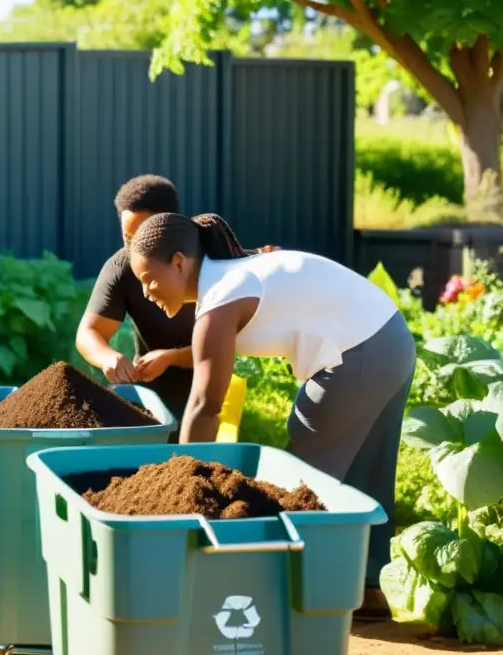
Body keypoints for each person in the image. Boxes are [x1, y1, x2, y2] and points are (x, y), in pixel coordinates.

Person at [127, 211, 416, 618]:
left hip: (362, 351)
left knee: (303, 477)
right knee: (367, 465)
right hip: (391, 339)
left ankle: (285, 594)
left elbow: (205, 405)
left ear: (178, 263)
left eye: (148, 279)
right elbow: (212, 358)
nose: (145, 291)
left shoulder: (221, 299)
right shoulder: (232, 279)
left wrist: (180, 488)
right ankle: (366, 588)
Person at [75, 176, 196, 420]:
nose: (135, 249)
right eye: (128, 239)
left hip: (211, 387)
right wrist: (108, 357)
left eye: (143, 237)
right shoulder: (121, 266)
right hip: (150, 395)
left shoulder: (206, 259)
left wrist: (170, 357)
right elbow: (88, 333)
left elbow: (227, 347)